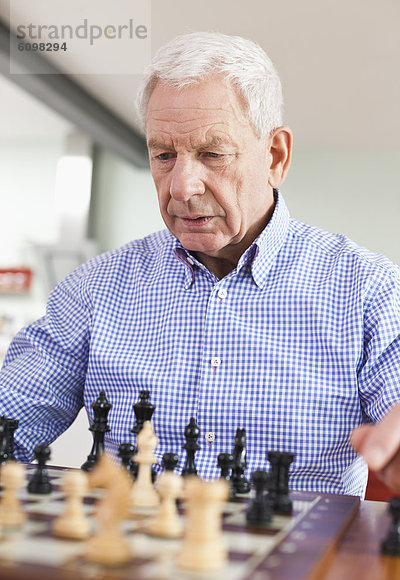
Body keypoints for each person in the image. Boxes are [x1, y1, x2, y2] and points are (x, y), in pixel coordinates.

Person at [1, 32, 399, 497]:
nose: (181, 186)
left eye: (212, 154)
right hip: (127, 560)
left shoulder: (367, 290)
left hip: (299, 565)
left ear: (276, 156)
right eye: (164, 155)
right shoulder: (94, 288)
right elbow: (13, 417)